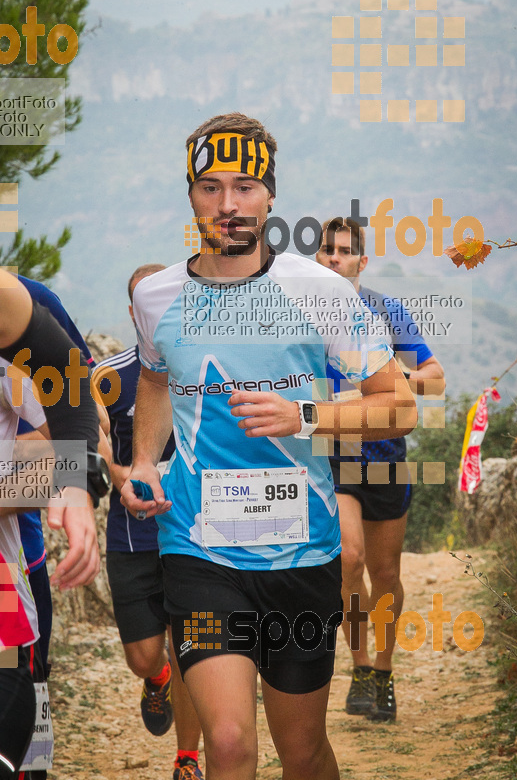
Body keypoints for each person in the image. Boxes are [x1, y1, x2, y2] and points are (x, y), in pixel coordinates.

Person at [120, 112, 417, 780]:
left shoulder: (320, 292)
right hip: (198, 551)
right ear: (190, 195)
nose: (229, 204)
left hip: (301, 554)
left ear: (270, 195)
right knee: (226, 743)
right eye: (212, 187)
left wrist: (304, 415)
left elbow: (395, 404)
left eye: (246, 186)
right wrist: (143, 459)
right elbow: (156, 377)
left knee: (302, 749)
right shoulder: (155, 293)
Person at [316, 216, 445, 721]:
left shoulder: (386, 312)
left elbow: (434, 379)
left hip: (387, 458)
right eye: (327, 249)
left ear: (361, 262)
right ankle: (361, 664)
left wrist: (397, 380)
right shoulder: (299, 315)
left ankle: (385, 673)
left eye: (344, 251)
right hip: (334, 457)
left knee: (385, 573)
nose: (333, 258)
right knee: (348, 560)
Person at [93, 264, 203, 780]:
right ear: (134, 311)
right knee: (144, 655)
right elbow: (89, 441)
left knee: (192, 647)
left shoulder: (201, 361)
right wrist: (120, 475)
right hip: (130, 533)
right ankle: (153, 678)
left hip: (191, 532)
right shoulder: (107, 376)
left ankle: (187, 759)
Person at [0, 269, 105, 778]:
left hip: (18, 548)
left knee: (28, 693)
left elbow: (88, 417)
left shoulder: (19, 297)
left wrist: (72, 479)